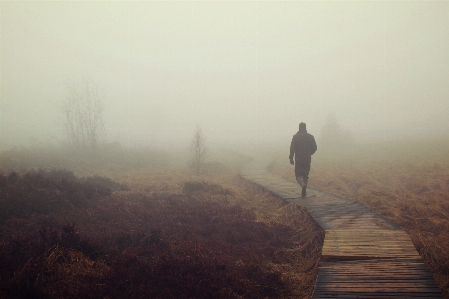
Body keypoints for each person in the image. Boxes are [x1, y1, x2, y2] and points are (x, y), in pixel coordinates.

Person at [289, 122, 317, 197]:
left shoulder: (295, 137)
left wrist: (291, 158)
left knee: (298, 174)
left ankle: (302, 185)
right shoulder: (310, 137)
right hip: (307, 158)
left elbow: (292, 148)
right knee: (305, 174)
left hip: (299, 158)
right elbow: (315, 148)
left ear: (299, 128)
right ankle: (304, 187)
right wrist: (309, 153)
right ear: (305, 128)